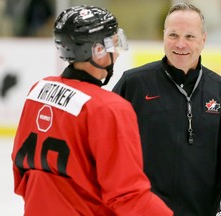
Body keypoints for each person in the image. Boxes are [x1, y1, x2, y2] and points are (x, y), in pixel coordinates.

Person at [11, 5, 173, 216]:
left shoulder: (39, 90)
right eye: (113, 43)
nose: (116, 51)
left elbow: (21, 169)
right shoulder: (109, 108)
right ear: (97, 51)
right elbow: (128, 195)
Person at [112, 3, 221, 216]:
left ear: (203, 39)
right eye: (173, 35)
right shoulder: (134, 84)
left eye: (189, 36)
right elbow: (106, 145)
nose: (180, 44)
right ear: (163, 36)